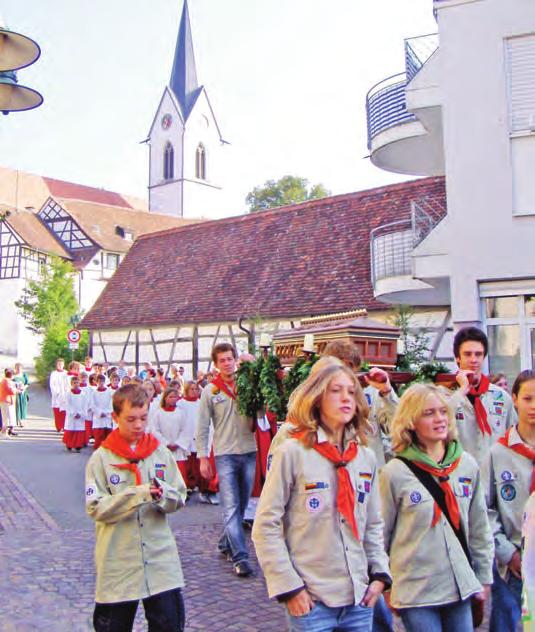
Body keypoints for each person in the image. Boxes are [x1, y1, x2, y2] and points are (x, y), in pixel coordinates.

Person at [252, 358, 390, 632]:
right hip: (312, 600)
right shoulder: (292, 453)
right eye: (335, 391)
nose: (346, 398)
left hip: (358, 599)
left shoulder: (365, 457)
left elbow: (373, 523)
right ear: (316, 398)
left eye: (351, 391)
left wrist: (379, 575)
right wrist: (289, 588)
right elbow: (265, 526)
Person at [379, 383, 493, 632]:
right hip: (416, 589)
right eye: (428, 413)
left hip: (458, 585)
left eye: (443, 411)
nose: (439, 419)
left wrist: (483, 577)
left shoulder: (466, 465)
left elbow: (479, 528)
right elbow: (381, 534)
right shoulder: (395, 473)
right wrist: (386, 585)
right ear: (411, 421)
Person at [85, 384, 187, 631]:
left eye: (143, 418)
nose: (139, 425)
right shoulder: (101, 459)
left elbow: (180, 495)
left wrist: (164, 495)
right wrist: (136, 494)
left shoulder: (160, 453)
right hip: (118, 561)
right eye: (130, 419)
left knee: (169, 625)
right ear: (115, 417)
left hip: (160, 559)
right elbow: (95, 507)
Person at [196, 342, 257, 577]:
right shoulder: (210, 391)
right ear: (216, 364)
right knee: (230, 507)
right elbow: (201, 427)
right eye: (222, 360)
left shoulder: (247, 386)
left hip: (249, 451)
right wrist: (203, 458)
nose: (227, 363)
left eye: (230, 359)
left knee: (241, 505)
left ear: (235, 360)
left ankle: (225, 542)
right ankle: (240, 556)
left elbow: (261, 416)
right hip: (225, 454)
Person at [487, 369, 535, 631]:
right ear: (513, 399)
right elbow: (487, 510)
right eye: (528, 398)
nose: (534, 406)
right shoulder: (499, 452)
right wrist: (507, 552)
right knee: (507, 621)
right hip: (513, 562)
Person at [449, 327, 516, 472]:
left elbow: (514, 438)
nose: (473, 360)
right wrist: (462, 392)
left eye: (478, 354)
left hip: (495, 475)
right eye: (467, 354)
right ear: (457, 358)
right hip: (459, 476)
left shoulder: (502, 398)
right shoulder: (445, 396)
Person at [178, 381, 219, 502]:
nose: (194, 391)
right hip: (187, 437)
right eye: (191, 389)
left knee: (201, 465)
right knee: (188, 465)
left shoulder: (201, 403)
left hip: (199, 436)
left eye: (196, 389)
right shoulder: (181, 404)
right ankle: (187, 488)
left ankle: (204, 490)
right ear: (186, 390)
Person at [63, 375, 87, 452]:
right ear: (71, 384)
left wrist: (81, 413)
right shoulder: (68, 394)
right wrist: (73, 413)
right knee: (71, 429)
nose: (76, 384)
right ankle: (69, 444)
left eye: (77, 382)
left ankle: (78, 445)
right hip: (72, 415)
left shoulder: (83, 394)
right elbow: (68, 404)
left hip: (80, 414)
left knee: (79, 430)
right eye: (74, 383)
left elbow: (85, 404)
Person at [92, 374, 113, 449]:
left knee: (107, 433)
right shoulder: (94, 392)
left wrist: (107, 412)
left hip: (107, 415)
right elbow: (92, 404)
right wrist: (99, 412)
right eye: (99, 381)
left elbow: (111, 402)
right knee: (98, 434)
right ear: (96, 382)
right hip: (98, 416)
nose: (101, 383)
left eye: (102, 381)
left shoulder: (109, 391)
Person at [49, 358, 69, 432]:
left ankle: (64, 426)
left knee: (64, 412)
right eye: (58, 364)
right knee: (57, 412)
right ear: (56, 365)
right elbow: (52, 384)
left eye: (61, 364)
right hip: (56, 396)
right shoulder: (53, 373)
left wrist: (66, 392)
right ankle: (58, 426)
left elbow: (68, 384)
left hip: (64, 395)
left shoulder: (66, 373)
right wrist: (56, 392)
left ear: (63, 365)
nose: (60, 366)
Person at [0, 368, 18, 438]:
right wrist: (17, 390)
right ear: (11, 375)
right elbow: (11, 391)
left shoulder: (5, 381)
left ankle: (4, 433)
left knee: (6, 418)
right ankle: (3, 433)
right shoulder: (6, 381)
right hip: (5, 401)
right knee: (6, 418)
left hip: (6, 401)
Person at [13, 362, 29, 427]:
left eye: (20, 368)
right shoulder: (13, 376)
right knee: (17, 406)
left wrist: (24, 388)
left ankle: (22, 420)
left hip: (23, 393)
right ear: (15, 368)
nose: (18, 369)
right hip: (16, 393)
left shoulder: (24, 375)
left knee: (23, 406)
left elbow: (27, 383)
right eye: (17, 368)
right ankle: (18, 420)